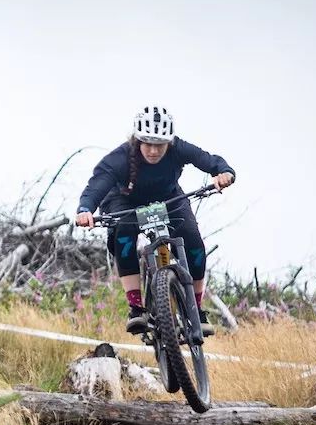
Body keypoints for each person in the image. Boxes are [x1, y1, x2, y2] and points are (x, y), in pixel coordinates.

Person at [75, 105, 235, 335]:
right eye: (147, 143)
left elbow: (210, 160)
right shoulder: (120, 157)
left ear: (168, 143)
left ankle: (196, 309)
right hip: (125, 200)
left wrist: (223, 172)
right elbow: (96, 186)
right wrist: (85, 209)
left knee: (193, 240)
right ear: (137, 140)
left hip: (168, 197)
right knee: (124, 237)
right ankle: (136, 308)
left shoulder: (178, 148)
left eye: (159, 144)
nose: (152, 150)